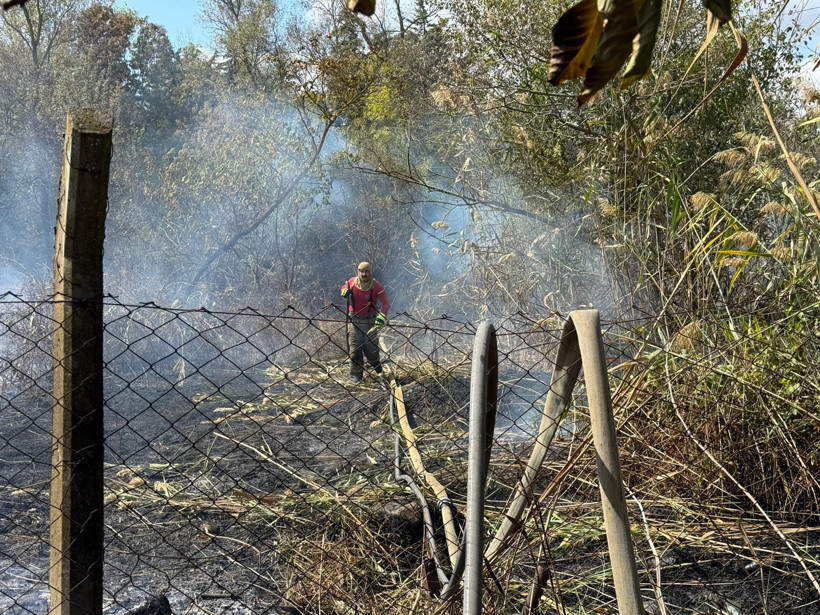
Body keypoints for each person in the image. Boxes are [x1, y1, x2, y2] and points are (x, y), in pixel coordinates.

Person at [341, 262, 390, 384]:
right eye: (361, 271)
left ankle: (378, 370)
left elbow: (386, 303)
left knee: (371, 350)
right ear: (358, 271)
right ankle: (356, 375)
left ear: (370, 272)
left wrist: (381, 316)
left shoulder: (376, 286)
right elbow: (343, 288)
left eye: (366, 271)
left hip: (370, 322)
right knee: (355, 349)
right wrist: (344, 292)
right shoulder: (352, 282)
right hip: (354, 321)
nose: (363, 274)